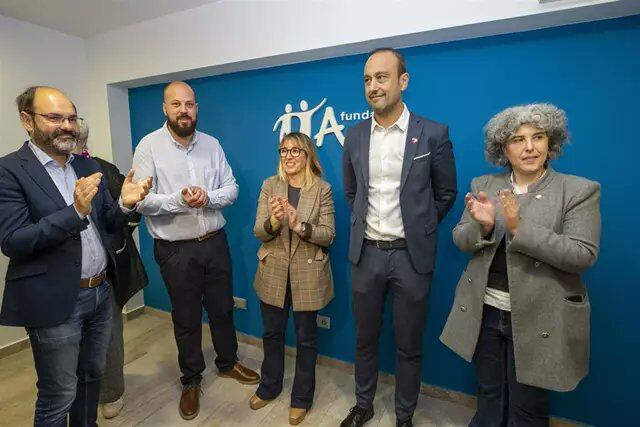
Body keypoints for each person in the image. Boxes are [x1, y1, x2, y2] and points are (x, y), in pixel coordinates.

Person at [440, 103, 601, 426]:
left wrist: (518, 228)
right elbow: (460, 239)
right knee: (488, 393)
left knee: (528, 404)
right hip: (486, 312)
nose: (530, 147)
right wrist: (483, 226)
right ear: (503, 147)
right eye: (518, 139)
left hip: (541, 317)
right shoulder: (484, 185)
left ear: (550, 142)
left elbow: (583, 254)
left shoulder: (578, 190)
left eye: (538, 137)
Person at [0, 86, 151, 426]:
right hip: (55, 302)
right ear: (27, 121)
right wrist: (75, 211)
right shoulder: (9, 170)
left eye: (71, 118)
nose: (66, 125)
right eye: (54, 117)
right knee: (59, 394)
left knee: (91, 379)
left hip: (100, 293)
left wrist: (126, 202)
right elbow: (13, 240)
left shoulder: (85, 165)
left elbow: (108, 224)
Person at [341, 48, 457, 427]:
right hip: (367, 255)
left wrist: (420, 226)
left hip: (411, 257)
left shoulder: (433, 134)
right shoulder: (355, 136)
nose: (373, 86)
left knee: (409, 346)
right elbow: (351, 192)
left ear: (402, 81)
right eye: (367, 79)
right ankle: (364, 405)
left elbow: (446, 194)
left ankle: (404, 416)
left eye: (382, 77)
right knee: (364, 339)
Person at [131, 81, 259, 421]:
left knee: (222, 309)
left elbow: (230, 189)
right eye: (176, 104)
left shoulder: (212, 145)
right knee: (186, 318)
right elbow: (140, 199)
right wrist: (178, 200)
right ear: (165, 108)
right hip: (176, 251)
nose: (183, 110)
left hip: (215, 244)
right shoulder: (149, 147)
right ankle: (191, 380)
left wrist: (208, 196)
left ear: (196, 107)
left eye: (189, 104)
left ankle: (228, 362)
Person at [250, 132, 335, 425]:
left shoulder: (322, 189)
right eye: (284, 150)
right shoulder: (269, 185)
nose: (288, 156)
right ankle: (269, 386)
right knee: (272, 334)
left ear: (308, 155)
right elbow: (259, 232)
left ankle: (301, 398)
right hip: (273, 272)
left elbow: (328, 235)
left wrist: (299, 224)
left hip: (307, 275)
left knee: (306, 339)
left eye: (295, 150)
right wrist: (274, 221)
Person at [73, 123, 149, 419]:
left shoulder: (103, 169)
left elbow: (128, 213)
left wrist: (120, 236)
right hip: (65, 279)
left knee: (109, 340)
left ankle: (112, 392)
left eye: (79, 135)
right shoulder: (43, 176)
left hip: (105, 275)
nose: (74, 139)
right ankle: (81, 393)